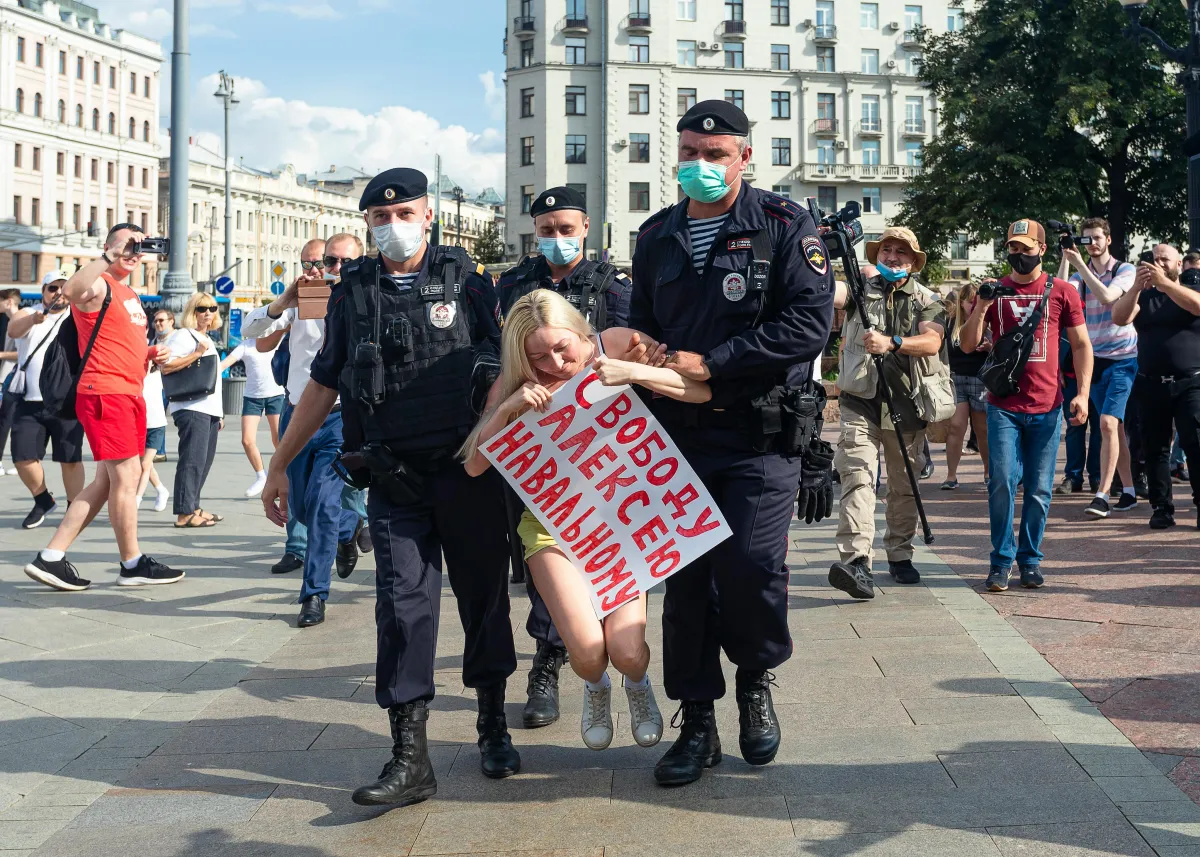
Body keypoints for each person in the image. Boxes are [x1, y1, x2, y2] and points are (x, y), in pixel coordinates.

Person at [260, 168, 521, 805]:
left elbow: (509, 366)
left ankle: (491, 720)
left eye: (404, 213)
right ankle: (410, 756)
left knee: (483, 598)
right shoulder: (352, 292)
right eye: (380, 217)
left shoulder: (468, 282)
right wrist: (278, 465)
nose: (393, 224)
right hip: (393, 476)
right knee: (402, 609)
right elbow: (323, 383)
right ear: (367, 224)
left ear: (428, 215)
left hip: (468, 471)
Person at [629, 101, 834, 786]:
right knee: (685, 583)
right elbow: (643, 325)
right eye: (690, 152)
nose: (701, 165)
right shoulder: (657, 235)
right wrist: (646, 353)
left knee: (750, 568)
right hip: (676, 436)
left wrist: (715, 362)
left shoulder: (783, 224)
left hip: (758, 433)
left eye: (715, 155)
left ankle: (754, 675)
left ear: (745, 157)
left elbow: (808, 325)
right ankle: (697, 721)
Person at [461, 290, 696, 750]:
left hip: (624, 521)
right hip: (553, 526)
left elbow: (692, 388)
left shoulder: (617, 343)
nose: (554, 363)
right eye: (537, 356)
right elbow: (473, 465)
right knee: (588, 654)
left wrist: (634, 372)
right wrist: (508, 409)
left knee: (627, 652)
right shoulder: (517, 380)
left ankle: (637, 684)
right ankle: (595, 687)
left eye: (561, 348)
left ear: (578, 330)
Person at [496, 185, 634, 729]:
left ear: (585, 228)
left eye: (565, 229)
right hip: (536, 449)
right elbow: (490, 351)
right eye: (546, 230)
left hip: (603, 448)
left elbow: (635, 350)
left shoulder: (613, 286)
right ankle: (547, 663)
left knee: (608, 558)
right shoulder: (513, 285)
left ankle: (618, 662)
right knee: (544, 564)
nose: (556, 238)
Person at [22, 224, 184, 591]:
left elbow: (118, 341)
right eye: (127, 245)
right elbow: (71, 291)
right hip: (106, 393)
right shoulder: (99, 283)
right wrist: (109, 257)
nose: (133, 252)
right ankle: (132, 563)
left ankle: (51, 557)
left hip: (128, 393)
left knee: (105, 482)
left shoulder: (130, 294)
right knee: (126, 478)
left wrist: (150, 353)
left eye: (139, 246)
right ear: (109, 246)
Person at [959, 219, 1091, 591]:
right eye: (1013, 248)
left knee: (1039, 488)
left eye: (1025, 247)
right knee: (1001, 480)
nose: (1018, 254)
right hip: (1003, 405)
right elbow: (967, 344)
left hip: (1047, 406)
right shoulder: (995, 290)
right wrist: (982, 306)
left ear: (1042, 250)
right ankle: (1001, 561)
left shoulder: (1062, 291)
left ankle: (1030, 560)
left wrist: (1082, 393)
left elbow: (1081, 344)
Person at [243, 234, 368, 624]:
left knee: (324, 504)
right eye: (324, 262)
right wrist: (285, 301)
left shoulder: (366, 298)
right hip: (297, 414)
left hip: (339, 416)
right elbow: (251, 332)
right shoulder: (304, 300)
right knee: (300, 505)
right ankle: (350, 527)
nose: (329, 269)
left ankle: (314, 594)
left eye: (341, 262)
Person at [826, 227, 947, 599]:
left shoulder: (929, 299)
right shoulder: (859, 290)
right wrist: (814, 250)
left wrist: (892, 343)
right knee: (857, 477)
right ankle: (857, 562)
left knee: (903, 485)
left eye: (901, 252)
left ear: (913, 261)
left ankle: (899, 553)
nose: (892, 257)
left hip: (906, 404)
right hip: (859, 401)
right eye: (886, 250)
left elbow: (932, 341)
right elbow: (828, 289)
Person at [1111, 243, 1200, 529]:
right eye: (1154, 259)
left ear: (1178, 264)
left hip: (1191, 383)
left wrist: (1165, 284)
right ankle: (1161, 507)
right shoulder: (1144, 296)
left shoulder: (1191, 290)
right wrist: (1136, 288)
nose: (1158, 263)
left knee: (1195, 444)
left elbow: (1197, 306)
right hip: (1151, 383)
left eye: (1165, 259)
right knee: (1154, 448)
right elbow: (1119, 317)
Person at [1058, 218, 1139, 517]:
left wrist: (1079, 264)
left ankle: (1102, 495)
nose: (1091, 243)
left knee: (1105, 423)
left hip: (1123, 359)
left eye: (1096, 238)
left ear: (1109, 239)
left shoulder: (1124, 270)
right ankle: (1128, 491)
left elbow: (1107, 297)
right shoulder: (1080, 273)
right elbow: (1060, 293)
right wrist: (1065, 257)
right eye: (1086, 239)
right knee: (1114, 427)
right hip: (1094, 360)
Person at [5, 271, 87, 528]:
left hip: (67, 402)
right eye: (53, 288)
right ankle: (42, 500)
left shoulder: (78, 317)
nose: (59, 293)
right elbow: (13, 330)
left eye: (64, 287)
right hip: (30, 401)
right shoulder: (29, 313)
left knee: (70, 460)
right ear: (43, 291)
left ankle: (74, 509)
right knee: (22, 457)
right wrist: (34, 319)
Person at [160, 293, 225, 529]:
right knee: (192, 460)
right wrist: (196, 354)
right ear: (192, 311)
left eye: (212, 308)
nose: (208, 313)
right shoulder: (183, 336)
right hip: (191, 406)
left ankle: (194, 506)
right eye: (202, 308)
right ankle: (184, 513)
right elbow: (166, 367)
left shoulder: (205, 337)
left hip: (209, 409)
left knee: (203, 461)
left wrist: (219, 414)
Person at [221, 337, 286, 498]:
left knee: (279, 440)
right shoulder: (246, 345)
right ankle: (261, 476)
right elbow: (224, 364)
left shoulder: (277, 340)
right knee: (247, 440)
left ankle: (285, 476)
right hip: (252, 397)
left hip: (275, 395)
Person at [943, 280, 989, 489]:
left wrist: (989, 347)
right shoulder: (951, 322)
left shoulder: (985, 320)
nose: (973, 305)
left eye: (976, 301)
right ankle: (951, 476)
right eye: (970, 301)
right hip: (956, 379)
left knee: (982, 430)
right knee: (956, 427)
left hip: (980, 379)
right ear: (961, 302)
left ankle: (988, 471)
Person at [135, 361, 170, 512]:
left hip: (156, 425)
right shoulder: (134, 373)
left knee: (145, 464)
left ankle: (136, 500)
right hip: (138, 424)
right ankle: (161, 490)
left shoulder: (159, 373)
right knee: (145, 464)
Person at [149, 309, 174, 462]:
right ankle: (159, 451)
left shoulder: (178, 338)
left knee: (184, 419)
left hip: (178, 383)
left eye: (161, 320)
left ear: (171, 321)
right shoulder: (154, 341)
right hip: (160, 385)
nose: (157, 324)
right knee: (158, 416)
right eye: (155, 321)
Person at [0, 288, 20, 477]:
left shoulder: (20, 321)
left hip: (13, 380)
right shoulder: (7, 321)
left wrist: (1, 355)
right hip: (8, 378)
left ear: (9, 301)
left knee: (6, 421)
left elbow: (22, 353)